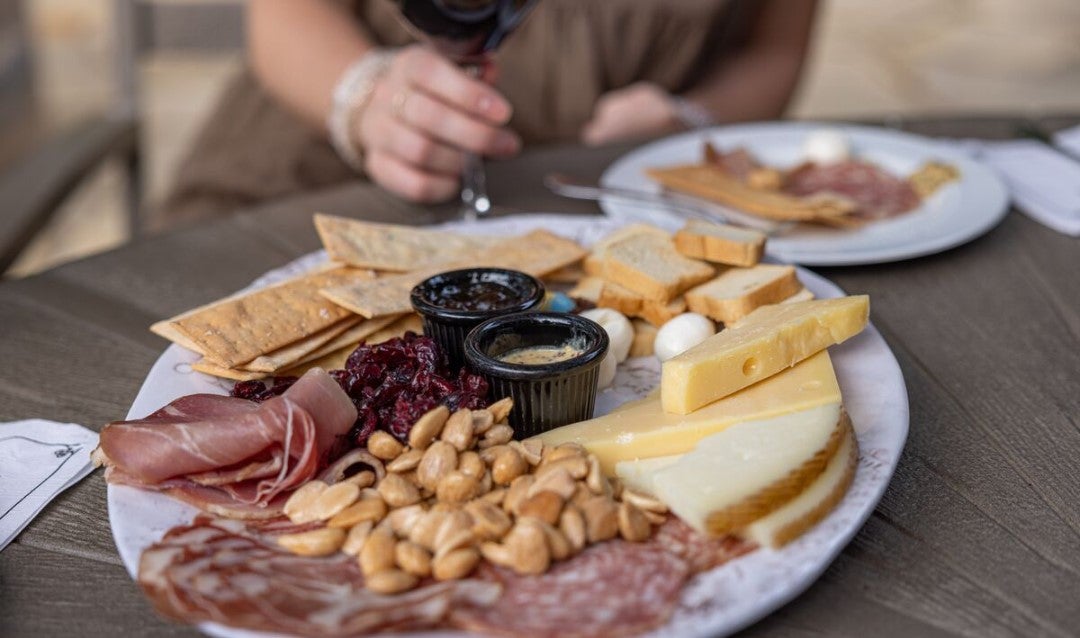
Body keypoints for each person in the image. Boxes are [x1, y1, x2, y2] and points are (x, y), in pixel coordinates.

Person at [155, 0, 818, 230]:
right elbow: (280, 15)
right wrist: (363, 98)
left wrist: (691, 120)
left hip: (603, 218)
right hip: (308, 187)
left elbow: (773, 49)